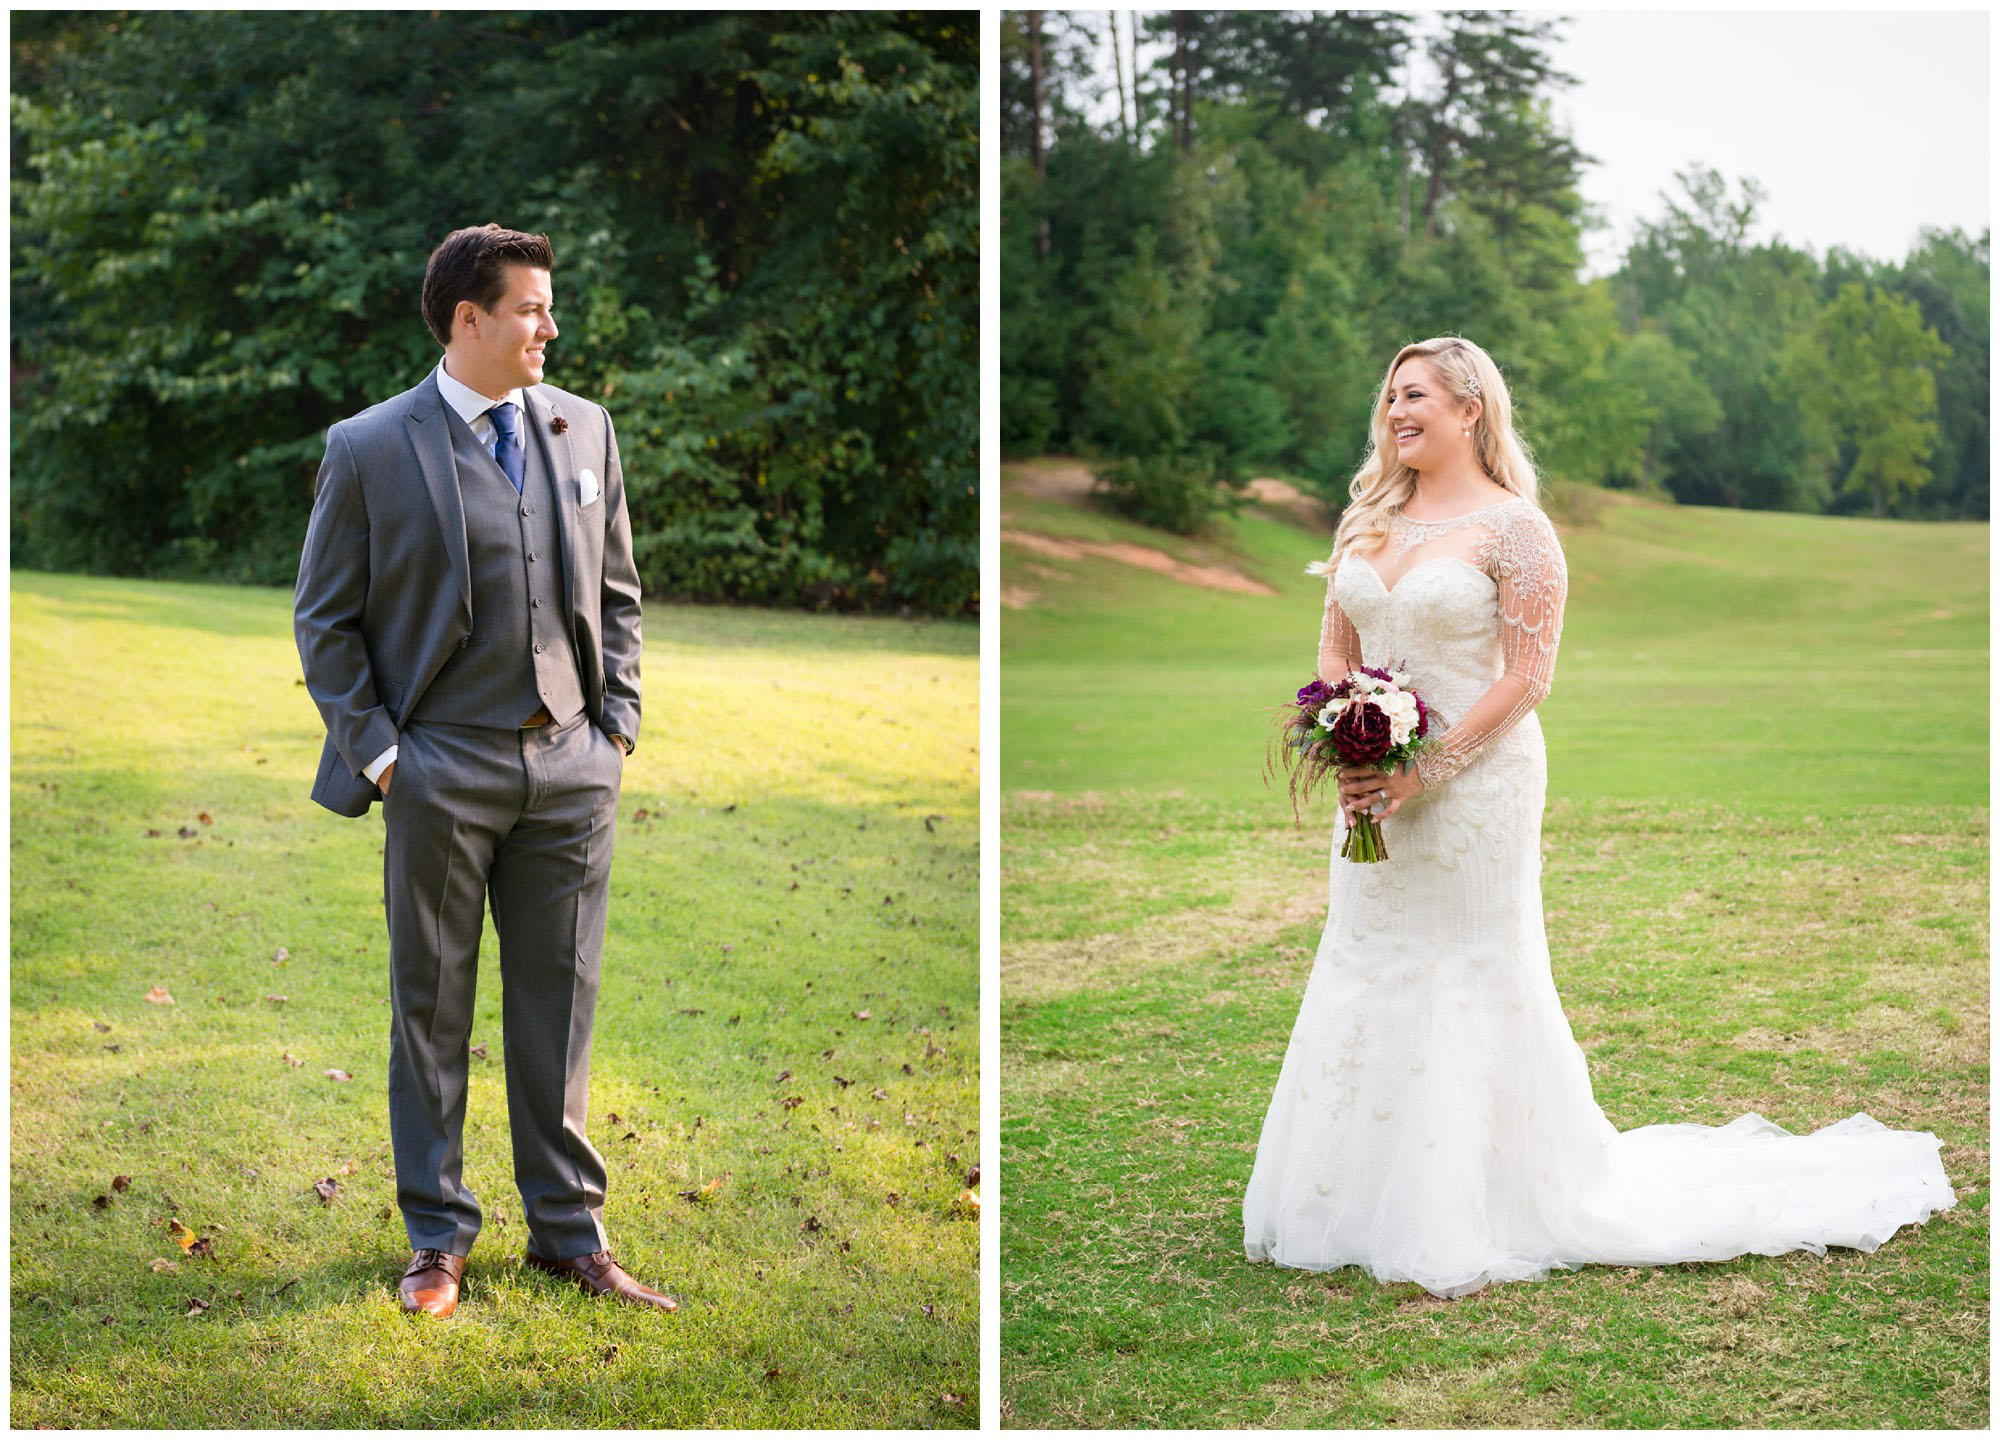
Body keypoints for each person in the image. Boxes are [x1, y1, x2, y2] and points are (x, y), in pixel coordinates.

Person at [1242, 335, 1955, 1298]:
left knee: (1467, 968)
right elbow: (1335, 643)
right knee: (1366, 958)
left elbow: (1528, 679)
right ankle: (1347, 1191)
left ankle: (1480, 1198)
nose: (1396, 411)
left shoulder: (1517, 530)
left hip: (1478, 790)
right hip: (1374, 788)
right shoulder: (1367, 519)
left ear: (1469, 410)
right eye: (1390, 397)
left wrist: (1427, 770)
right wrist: (1348, 748)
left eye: (1416, 396)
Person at [294, 224, 673, 1317]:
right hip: (437, 764)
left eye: (547, 310)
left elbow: (617, 594)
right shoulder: (369, 446)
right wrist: (382, 756)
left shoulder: (583, 429)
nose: (549, 328)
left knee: (560, 1006)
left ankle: (568, 1237)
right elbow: (325, 620)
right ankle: (436, 1240)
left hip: (571, 764)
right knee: (432, 1008)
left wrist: (616, 733)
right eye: (530, 310)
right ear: (469, 320)